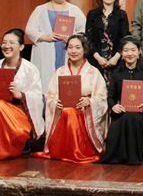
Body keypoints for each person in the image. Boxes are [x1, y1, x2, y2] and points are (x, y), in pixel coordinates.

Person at [35, 34, 107, 163]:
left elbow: (102, 97)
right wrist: (55, 103)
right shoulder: (60, 72)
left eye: (78, 47)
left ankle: (78, 150)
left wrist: (89, 102)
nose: (73, 51)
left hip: (85, 114)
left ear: (84, 50)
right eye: (70, 47)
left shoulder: (94, 72)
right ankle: (68, 150)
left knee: (70, 112)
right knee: (68, 111)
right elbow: (50, 95)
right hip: (64, 112)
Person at [0, 29, 45, 161]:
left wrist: (20, 95)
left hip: (20, 112)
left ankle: (10, 147)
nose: (6, 46)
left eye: (11, 43)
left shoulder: (30, 69)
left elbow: (37, 97)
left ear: (21, 47)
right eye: (4, 43)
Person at [99, 36, 143, 165]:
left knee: (132, 117)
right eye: (126, 50)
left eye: (133, 50)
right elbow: (110, 97)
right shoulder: (116, 73)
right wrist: (114, 106)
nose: (129, 53)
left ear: (139, 51)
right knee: (124, 119)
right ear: (121, 53)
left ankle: (135, 156)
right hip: (122, 113)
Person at [26, 0, 86, 90]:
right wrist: (45, 36)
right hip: (46, 48)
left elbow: (83, 29)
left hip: (66, 49)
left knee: (67, 84)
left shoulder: (74, 10)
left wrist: (73, 39)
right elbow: (29, 29)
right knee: (46, 82)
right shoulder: (40, 9)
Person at [86, 0, 129, 83]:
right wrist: (98, 58)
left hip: (117, 60)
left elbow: (125, 38)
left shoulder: (122, 15)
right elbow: (89, 39)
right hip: (96, 60)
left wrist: (116, 58)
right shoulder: (92, 15)